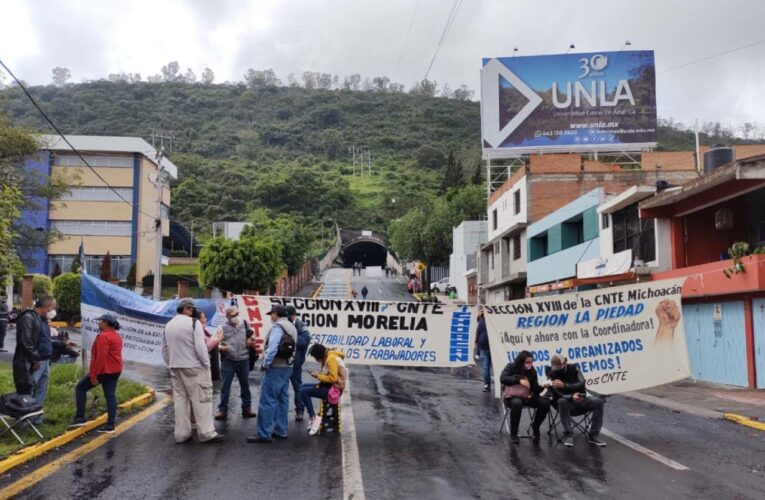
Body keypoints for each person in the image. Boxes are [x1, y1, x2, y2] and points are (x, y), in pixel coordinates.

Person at [162, 298, 224, 444]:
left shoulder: (169, 325)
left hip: (175, 366)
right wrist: (206, 364)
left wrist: (171, 363)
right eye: (192, 309)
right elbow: (200, 348)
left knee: (181, 400)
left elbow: (164, 350)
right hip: (194, 367)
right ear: (186, 309)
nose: (194, 311)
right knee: (202, 399)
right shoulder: (193, 323)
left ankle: (181, 434)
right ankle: (206, 433)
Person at [248, 305, 297, 444]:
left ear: (276, 314)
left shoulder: (277, 327)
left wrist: (265, 364)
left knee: (268, 399)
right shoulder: (291, 326)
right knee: (282, 399)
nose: (271, 317)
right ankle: (281, 430)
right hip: (288, 366)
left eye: (272, 314)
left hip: (275, 367)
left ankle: (264, 433)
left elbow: (273, 347)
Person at [70, 313, 123, 433]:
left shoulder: (104, 337)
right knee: (110, 395)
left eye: (100, 321)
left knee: (80, 388)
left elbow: (100, 358)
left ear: (105, 323)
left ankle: (80, 417)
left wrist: (94, 375)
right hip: (115, 370)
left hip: (104, 370)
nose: (98, 322)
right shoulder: (116, 336)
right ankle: (110, 425)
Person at [547, 355, 606, 447]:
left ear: (565, 362)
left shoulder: (574, 368)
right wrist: (571, 396)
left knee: (598, 401)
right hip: (565, 403)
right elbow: (556, 393)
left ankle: (593, 435)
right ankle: (568, 434)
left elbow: (582, 384)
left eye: (559, 367)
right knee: (562, 401)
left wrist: (564, 386)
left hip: (580, 400)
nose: (557, 369)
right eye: (555, 367)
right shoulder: (551, 373)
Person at [13, 296, 55, 415]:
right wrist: (35, 359)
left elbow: (45, 339)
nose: (53, 311)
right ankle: (24, 420)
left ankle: (36, 418)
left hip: (45, 361)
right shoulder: (28, 317)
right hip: (33, 362)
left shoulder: (42, 319)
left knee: (41, 391)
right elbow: (26, 341)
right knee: (28, 391)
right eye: (52, 308)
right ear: (46, 307)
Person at [499, 350, 550, 444]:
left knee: (545, 403)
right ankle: (514, 433)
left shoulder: (532, 370)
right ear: (521, 361)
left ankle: (535, 426)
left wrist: (542, 387)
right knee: (517, 403)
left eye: (531, 362)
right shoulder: (511, 366)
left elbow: (535, 389)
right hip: (512, 396)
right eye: (527, 362)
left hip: (527, 396)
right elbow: (503, 378)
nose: (529, 364)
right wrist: (519, 380)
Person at [214, 306, 256, 420]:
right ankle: (222, 410)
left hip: (244, 359)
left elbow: (253, 335)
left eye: (236, 314)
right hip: (229, 360)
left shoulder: (245, 323)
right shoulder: (221, 327)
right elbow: (216, 342)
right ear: (227, 316)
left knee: (245, 385)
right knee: (225, 385)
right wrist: (221, 347)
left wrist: (250, 339)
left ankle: (247, 408)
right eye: (232, 315)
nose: (234, 317)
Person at [298, 343, 346, 436]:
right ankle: (312, 416)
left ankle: (313, 417)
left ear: (319, 355)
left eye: (315, 358)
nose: (316, 360)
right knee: (302, 387)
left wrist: (318, 376)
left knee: (303, 392)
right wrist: (319, 375)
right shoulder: (330, 355)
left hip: (334, 390)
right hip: (330, 386)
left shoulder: (330, 359)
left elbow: (333, 379)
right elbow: (330, 375)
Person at [287, 305, 312, 422]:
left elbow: (306, 339)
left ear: (293, 315)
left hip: (295, 363)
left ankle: (300, 411)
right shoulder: (282, 324)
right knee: (282, 388)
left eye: (289, 316)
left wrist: (291, 340)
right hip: (284, 362)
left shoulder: (301, 325)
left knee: (297, 387)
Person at [474, 307, 491, 392]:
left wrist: (476, 343)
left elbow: (477, 333)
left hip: (484, 347)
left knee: (486, 367)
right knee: (492, 368)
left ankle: (487, 385)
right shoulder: (491, 320)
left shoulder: (481, 321)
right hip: (490, 347)